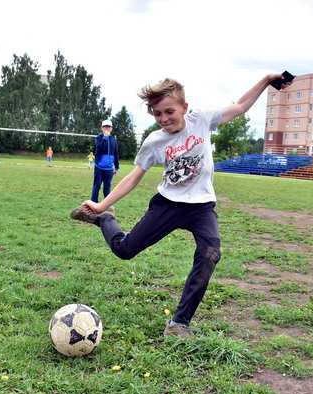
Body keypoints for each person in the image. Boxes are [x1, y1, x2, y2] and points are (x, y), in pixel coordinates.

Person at [70, 73, 290, 337]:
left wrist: (266, 80)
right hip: (167, 205)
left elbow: (241, 106)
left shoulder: (202, 120)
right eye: (157, 114)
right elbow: (133, 177)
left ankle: (179, 324)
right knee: (125, 250)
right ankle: (105, 219)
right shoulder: (154, 141)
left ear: (185, 108)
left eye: (169, 111)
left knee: (210, 253)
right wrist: (100, 205)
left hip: (201, 207)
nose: (164, 119)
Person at [91, 120, 120, 202]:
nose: (107, 128)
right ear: (102, 128)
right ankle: (93, 203)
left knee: (107, 187)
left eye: (108, 127)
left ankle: (106, 205)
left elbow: (115, 153)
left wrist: (116, 166)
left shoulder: (113, 139)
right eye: (105, 127)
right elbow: (98, 149)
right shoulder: (98, 138)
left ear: (111, 128)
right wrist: (105, 138)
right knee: (97, 185)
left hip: (109, 169)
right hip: (99, 167)